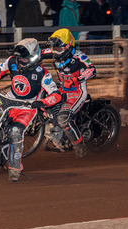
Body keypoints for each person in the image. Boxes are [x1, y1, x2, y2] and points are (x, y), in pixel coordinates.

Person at [0, 38, 63, 182]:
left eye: (24, 59)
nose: (20, 61)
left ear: (33, 57)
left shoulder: (42, 74)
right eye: (18, 58)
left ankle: (14, 169)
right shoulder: (12, 61)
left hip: (27, 107)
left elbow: (56, 95)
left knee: (15, 132)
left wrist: (43, 102)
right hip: (8, 101)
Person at [42, 28, 96, 158]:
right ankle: (57, 134)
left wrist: (75, 80)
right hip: (62, 89)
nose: (55, 51)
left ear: (68, 46)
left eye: (59, 49)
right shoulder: (53, 50)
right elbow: (36, 54)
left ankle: (79, 146)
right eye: (54, 48)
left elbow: (92, 70)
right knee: (44, 101)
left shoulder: (79, 57)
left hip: (77, 92)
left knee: (63, 119)